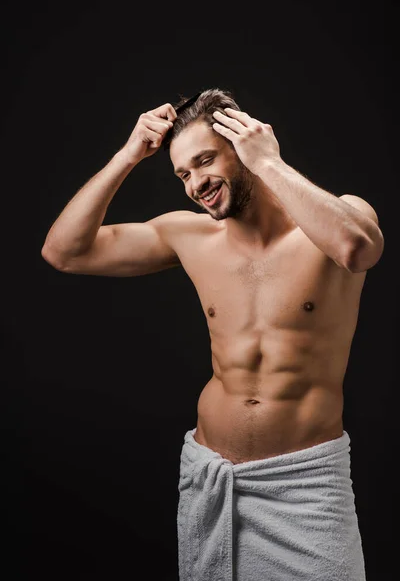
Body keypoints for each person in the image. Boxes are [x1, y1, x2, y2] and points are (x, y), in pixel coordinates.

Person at [41, 88, 384, 581]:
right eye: (183, 173)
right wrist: (127, 155)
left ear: (243, 142)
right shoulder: (188, 235)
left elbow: (358, 249)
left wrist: (269, 162)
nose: (196, 184)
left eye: (205, 161)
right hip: (212, 478)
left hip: (304, 487)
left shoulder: (334, 219)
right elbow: (64, 252)